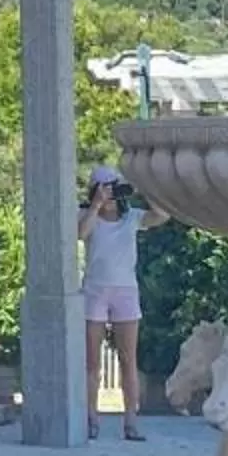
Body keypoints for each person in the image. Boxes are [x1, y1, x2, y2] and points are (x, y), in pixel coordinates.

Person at [79, 165, 152, 440]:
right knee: (92, 361)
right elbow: (81, 233)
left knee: (128, 359)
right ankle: (91, 417)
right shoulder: (89, 215)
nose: (110, 195)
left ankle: (131, 420)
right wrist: (96, 206)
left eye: (113, 189)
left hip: (125, 291)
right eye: (104, 188)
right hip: (95, 290)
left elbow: (161, 216)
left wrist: (149, 189)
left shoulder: (131, 217)